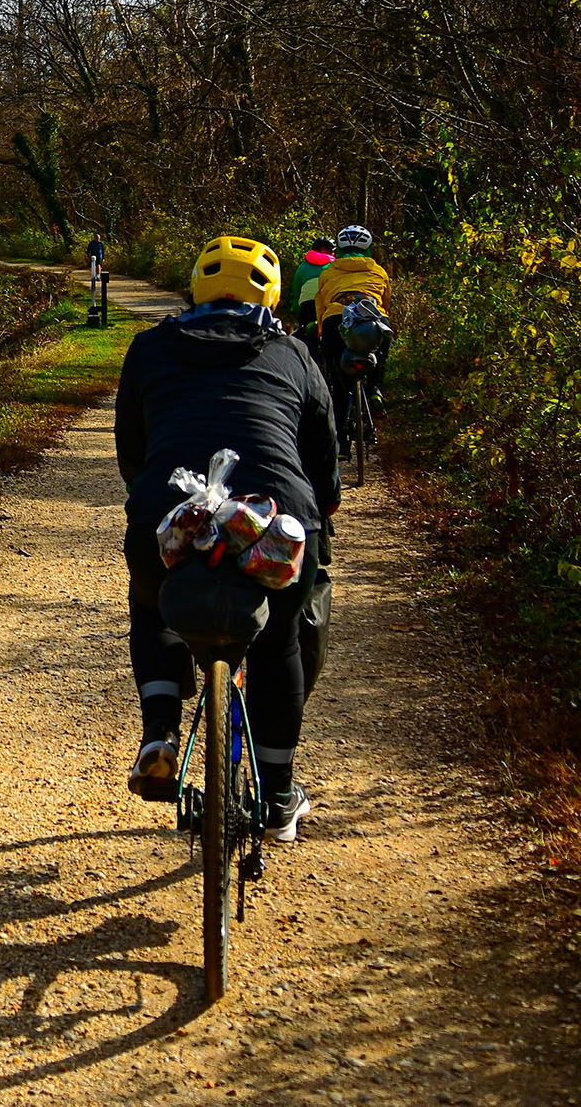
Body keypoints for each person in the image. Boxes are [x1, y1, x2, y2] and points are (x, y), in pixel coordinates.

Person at [115, 235, 341, 842]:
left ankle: (159, 734)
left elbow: (132, 453)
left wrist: (156, 508)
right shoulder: (294, 353)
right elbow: (324, 457)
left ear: (197, 289)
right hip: (278, 515)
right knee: (280, 639)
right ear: (269, 294)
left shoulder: (149, 348)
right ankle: (279, 793)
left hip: (173, 505)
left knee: (152, 604)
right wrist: (324, 513)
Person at [314, 225, 393, 414]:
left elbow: (321, 304)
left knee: (332, 361)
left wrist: (321, 332)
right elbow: (386, 301)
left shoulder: (328, 271)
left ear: (339, 249)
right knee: (380, 354)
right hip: (374, 320)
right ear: (368, 249)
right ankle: (375, 389)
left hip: (336, 318)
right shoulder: (378, 271)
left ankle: (333, 394)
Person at [291, 235, 336, 336]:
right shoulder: (335, 266)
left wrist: (295, 309)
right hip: (327, 304)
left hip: (306, 304)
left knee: (304, 333)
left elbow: (296, 290)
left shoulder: (303, 266)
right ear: (332, 252)